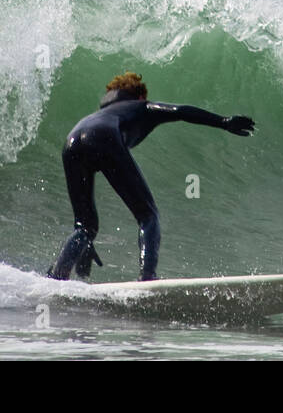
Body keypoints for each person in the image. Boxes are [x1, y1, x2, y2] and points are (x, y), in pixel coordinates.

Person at [48, 71, 254, 281]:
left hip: (71, 143)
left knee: (84, 226)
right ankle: (147, 277)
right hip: (103, 137)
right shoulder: (142, 107)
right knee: (148, 216)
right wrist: (224, 122)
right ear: (140, 96)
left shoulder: (96, 116)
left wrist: (83, 246)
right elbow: (180, 111)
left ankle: (57, 275)